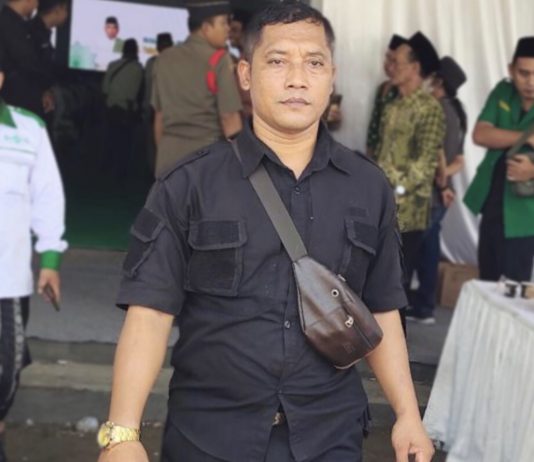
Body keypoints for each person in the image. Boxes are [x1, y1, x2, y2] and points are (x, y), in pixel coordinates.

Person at [97, 3, 435, 462]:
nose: (298, 79)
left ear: (331, 76)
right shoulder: (189, 184)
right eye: (277, 61)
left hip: (328, 436)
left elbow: (382, 309)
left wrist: (408, 415)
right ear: (245, 74)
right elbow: (150, 313)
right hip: (209, 438)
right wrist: (122, 434)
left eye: (314, 63)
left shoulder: (368, 188)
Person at [0, 49, 67, 462]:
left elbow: (47, 196)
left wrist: (50, 261)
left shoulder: (28, 130)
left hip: (7, 284)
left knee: (6, 374)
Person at [374, 32, 445, 320]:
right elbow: (383, 153)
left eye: (398, 62)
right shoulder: (393, 106)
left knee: (397, 285)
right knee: (378, 280)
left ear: (415, 68)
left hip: (408, 212)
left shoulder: (429, 108)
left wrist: (393, 185)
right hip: (382, 205)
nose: (391, 67)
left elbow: (425, 166)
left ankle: (397, 343)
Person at [464, 36, 534, 282]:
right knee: (487, 280)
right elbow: (481, 134)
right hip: (492, 201)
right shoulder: (503, 92)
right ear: (511, 70)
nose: (531, 82)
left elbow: (492, 133)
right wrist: (527, 138)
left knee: (514, 286)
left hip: (525, 212)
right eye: (524, 73)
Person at [151, 0, 242, 176]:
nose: (228, 29)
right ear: (206, 27)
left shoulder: (164, 59)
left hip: (167, 157)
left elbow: (159, 117)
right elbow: (229, 117)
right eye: (223, 23)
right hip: (207, 159)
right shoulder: (219, 59)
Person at [409, 57, 467, 324]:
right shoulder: (457, 112)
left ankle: (411, 306)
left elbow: (434, 153)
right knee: (429, 248)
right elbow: (459, 160)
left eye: (430, 77)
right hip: (442, 193)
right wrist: (446, 181)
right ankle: (424, 306)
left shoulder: (435, 109)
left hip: (429, 194)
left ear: (439, 81)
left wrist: (441, 182)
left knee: (410, 250)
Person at [0, 0, 55, 117]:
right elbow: (28, 63)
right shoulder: (10, 25)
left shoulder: (16, 24)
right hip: (14, 103)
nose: (37, 5)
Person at [102, 38, 144, 180]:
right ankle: (120, 174)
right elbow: (134, 94)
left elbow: (105, 89)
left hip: (110, 109)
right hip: (126, 112)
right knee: (124, 145)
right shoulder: (137, 68)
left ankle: (106, 170)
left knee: (109, 141)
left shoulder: (112, 65)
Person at [366, 34, 407, 158]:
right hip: (376, 157)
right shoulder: (382, 87)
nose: (388, 65)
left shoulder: (404, 92)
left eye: (394, 61)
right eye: (387, 58)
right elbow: (374, 126)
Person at [29, 0, 70, 119]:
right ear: (57, 10)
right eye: (65, 9)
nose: (67, 14)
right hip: (33, 99)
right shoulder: (34, 33)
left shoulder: (42, 33)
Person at [143, 32, 173, 176]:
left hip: (152, 109)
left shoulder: (151, 63)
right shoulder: (177, 63)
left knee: (153, 147)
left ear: (157, 46)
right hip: (170, 111)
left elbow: (147, 88)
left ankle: (155, 175)